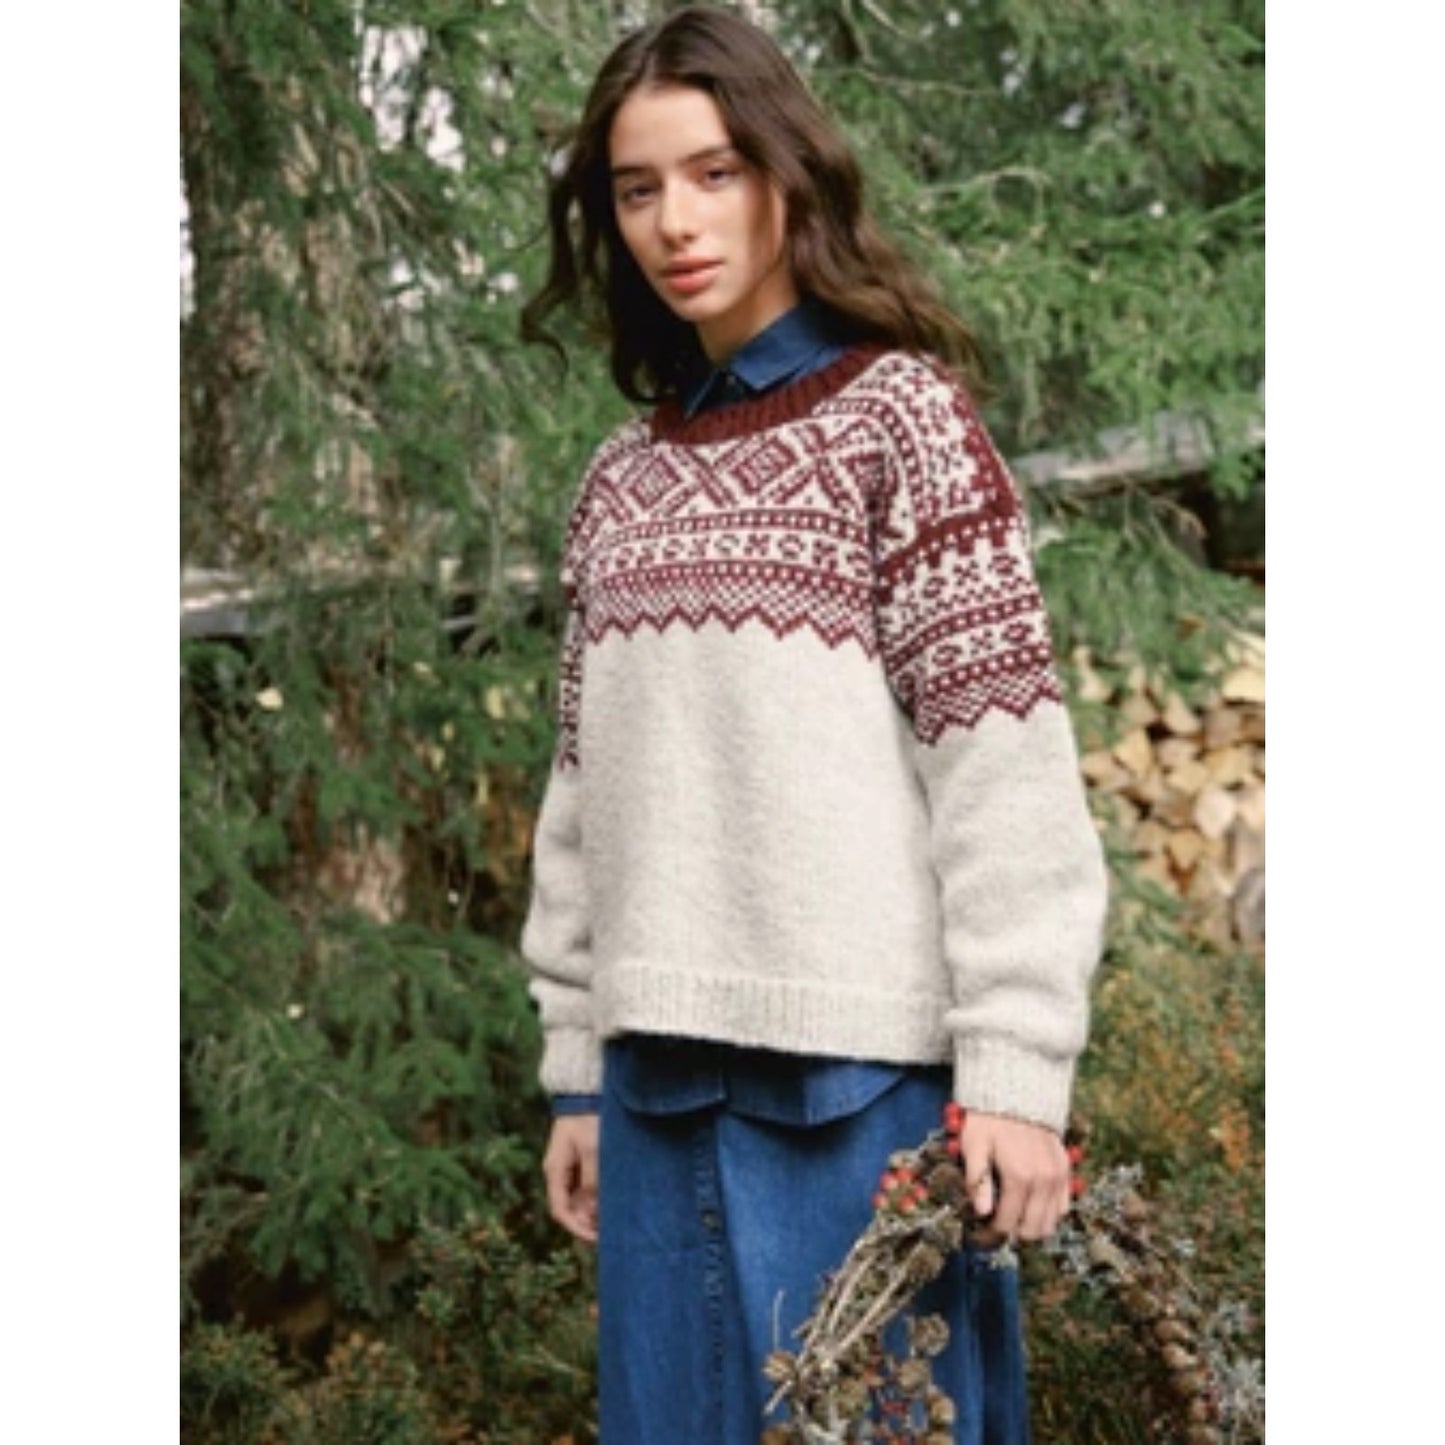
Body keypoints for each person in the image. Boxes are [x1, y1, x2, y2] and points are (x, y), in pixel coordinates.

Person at [517, 6, 1108, 1441]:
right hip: (655, 1105)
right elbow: (583, 799)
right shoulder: (617, 483)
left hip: (862, 1105)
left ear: (788, 174)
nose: (676, 222)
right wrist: (578, 1072)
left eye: (714, 173)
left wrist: (1019, 1074)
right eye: (637, 188)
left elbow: (1000, 766)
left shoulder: (902, 424)